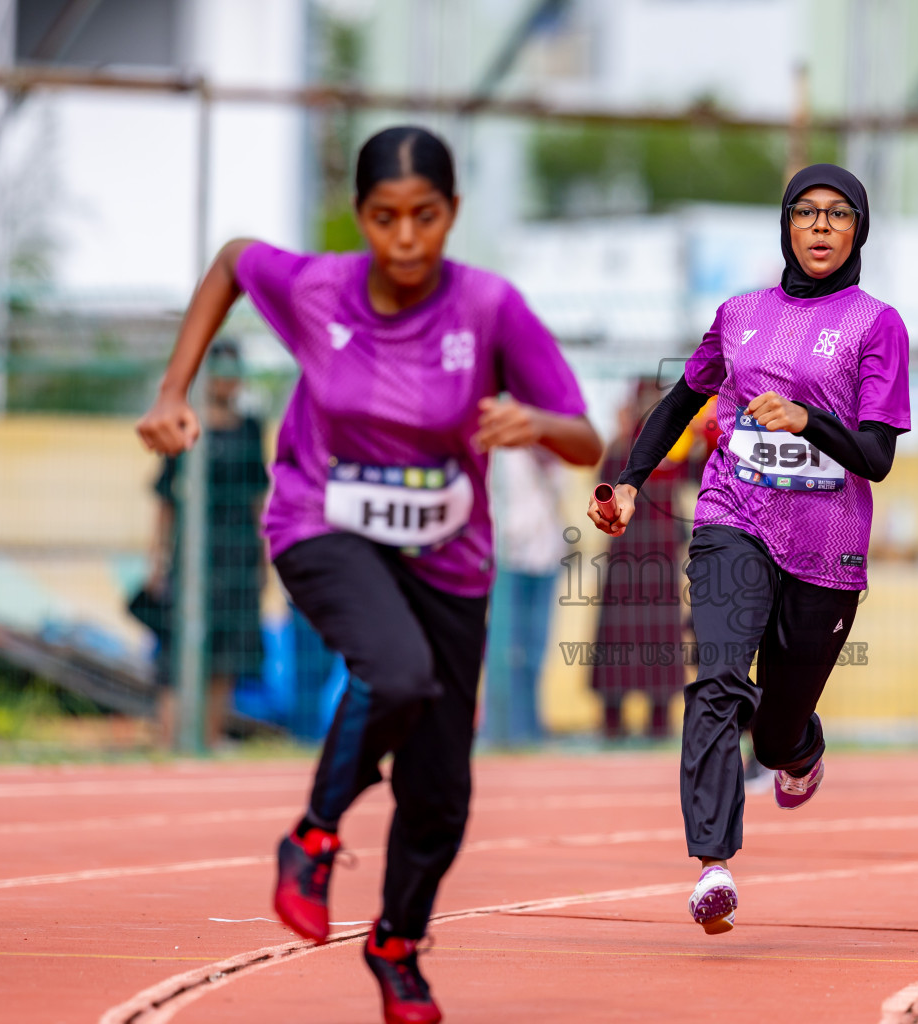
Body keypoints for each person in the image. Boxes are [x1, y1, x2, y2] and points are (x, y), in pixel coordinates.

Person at [136, 125, 602, 1024]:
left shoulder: (489, 308)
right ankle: (312, 837)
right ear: (360, 219)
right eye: (384, 218)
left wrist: (534, 425)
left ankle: (396, 944)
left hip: (449, 555)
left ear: (452, 215)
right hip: (323, 520)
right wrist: (171, 390)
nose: (405, 239)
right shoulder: (317, 288)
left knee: (442, 792)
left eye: (425, 217)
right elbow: (233, 259)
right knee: (395, 673)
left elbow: (584, 436)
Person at [587, 164, 910, 935]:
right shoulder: (739, 315)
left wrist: (806, 421)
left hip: (827, 545)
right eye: (807, 213)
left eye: (838, 215)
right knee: (719, 678)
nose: (822, 227)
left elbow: (876, 456)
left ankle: (800, 748)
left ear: (858, 230)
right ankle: (712, 866)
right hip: (734, 515)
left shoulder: (875, 325)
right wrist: (631, 481)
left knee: (772, 731)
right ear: (786, 227)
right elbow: (682, 398)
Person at [138, 338, 268, 749]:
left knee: (226, 655)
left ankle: (207, 743)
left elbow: (257, 497)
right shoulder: (183, 423)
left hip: (238, 553)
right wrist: (157, 562)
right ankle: (169, 741)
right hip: (192, 555)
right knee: (176, 652)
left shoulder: (251, 428)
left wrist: (264, 556)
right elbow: (166, 499)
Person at [590, 380, 691, 741]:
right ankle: (612, 718)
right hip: (626, 558)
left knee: (660, 638)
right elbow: (602, 486)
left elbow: (695, 470)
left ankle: (660, 718)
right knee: (619, 637)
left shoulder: (675, 448)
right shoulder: (620, 450)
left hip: (661, 559)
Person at [483, 444, 567, 745]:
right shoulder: (504, 454)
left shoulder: (556, 458)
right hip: (509, 560)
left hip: (545, 558)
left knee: (534, 649)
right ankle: (498, 728)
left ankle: (529, 728)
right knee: (505, 649)